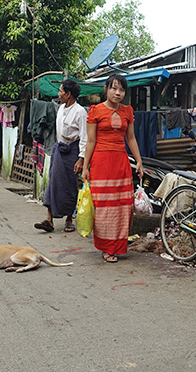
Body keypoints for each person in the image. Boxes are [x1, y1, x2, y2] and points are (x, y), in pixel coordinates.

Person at [82, 74, 143, 263]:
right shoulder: (95, 111)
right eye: (114, 88)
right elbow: (91, 141)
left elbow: (130, 138)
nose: (118, 93)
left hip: (121, 163)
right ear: (106, 89)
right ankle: (106, 247)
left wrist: (139, 161)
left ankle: (117, 246)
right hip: (101, 163)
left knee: (123, 206)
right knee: (103, 207)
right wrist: (85, 166)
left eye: (122, 90)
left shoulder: (127, 111)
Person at [34, 79, 87, 233]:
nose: (59, 94)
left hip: (73, 150)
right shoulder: (61, 108)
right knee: (53, 182)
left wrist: (81, 158)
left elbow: (84, 136)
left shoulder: (80, 112)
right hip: (59, 149)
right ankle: (49, 219)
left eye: (61, 91)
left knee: (70, 185)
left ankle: (69, 219)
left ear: (68, 94)